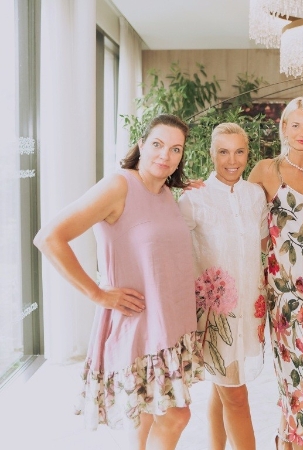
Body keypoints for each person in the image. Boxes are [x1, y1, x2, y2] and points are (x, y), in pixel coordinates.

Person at [33, 114, 204, 450]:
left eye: (175, 149)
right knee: (176, 416)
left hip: (169, 323)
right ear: (141, 145)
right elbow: (49, 238)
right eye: (157, 144)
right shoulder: (119, 185)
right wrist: (97, 293)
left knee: (146, 415)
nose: (165, 155)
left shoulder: (166, 193)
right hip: (136, 323)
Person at [248, 97, 303, 449]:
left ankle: (286, 438)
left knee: (301, 366)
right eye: (295, 124)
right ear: (283, 128)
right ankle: (301, 442)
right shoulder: (267, 170)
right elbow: (240, 212)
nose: (302, 132)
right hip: (284, 288)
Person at [178, 123, 269, 450]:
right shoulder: (194, 198)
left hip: (249, 312)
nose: (232, 160)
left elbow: (263, 245)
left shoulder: (255, 195)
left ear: (248, 153)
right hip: (214, 319)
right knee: (236, 396)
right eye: (223, 152)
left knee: (223, 390)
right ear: (211, 154)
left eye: (239, 151)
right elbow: (173, 250)